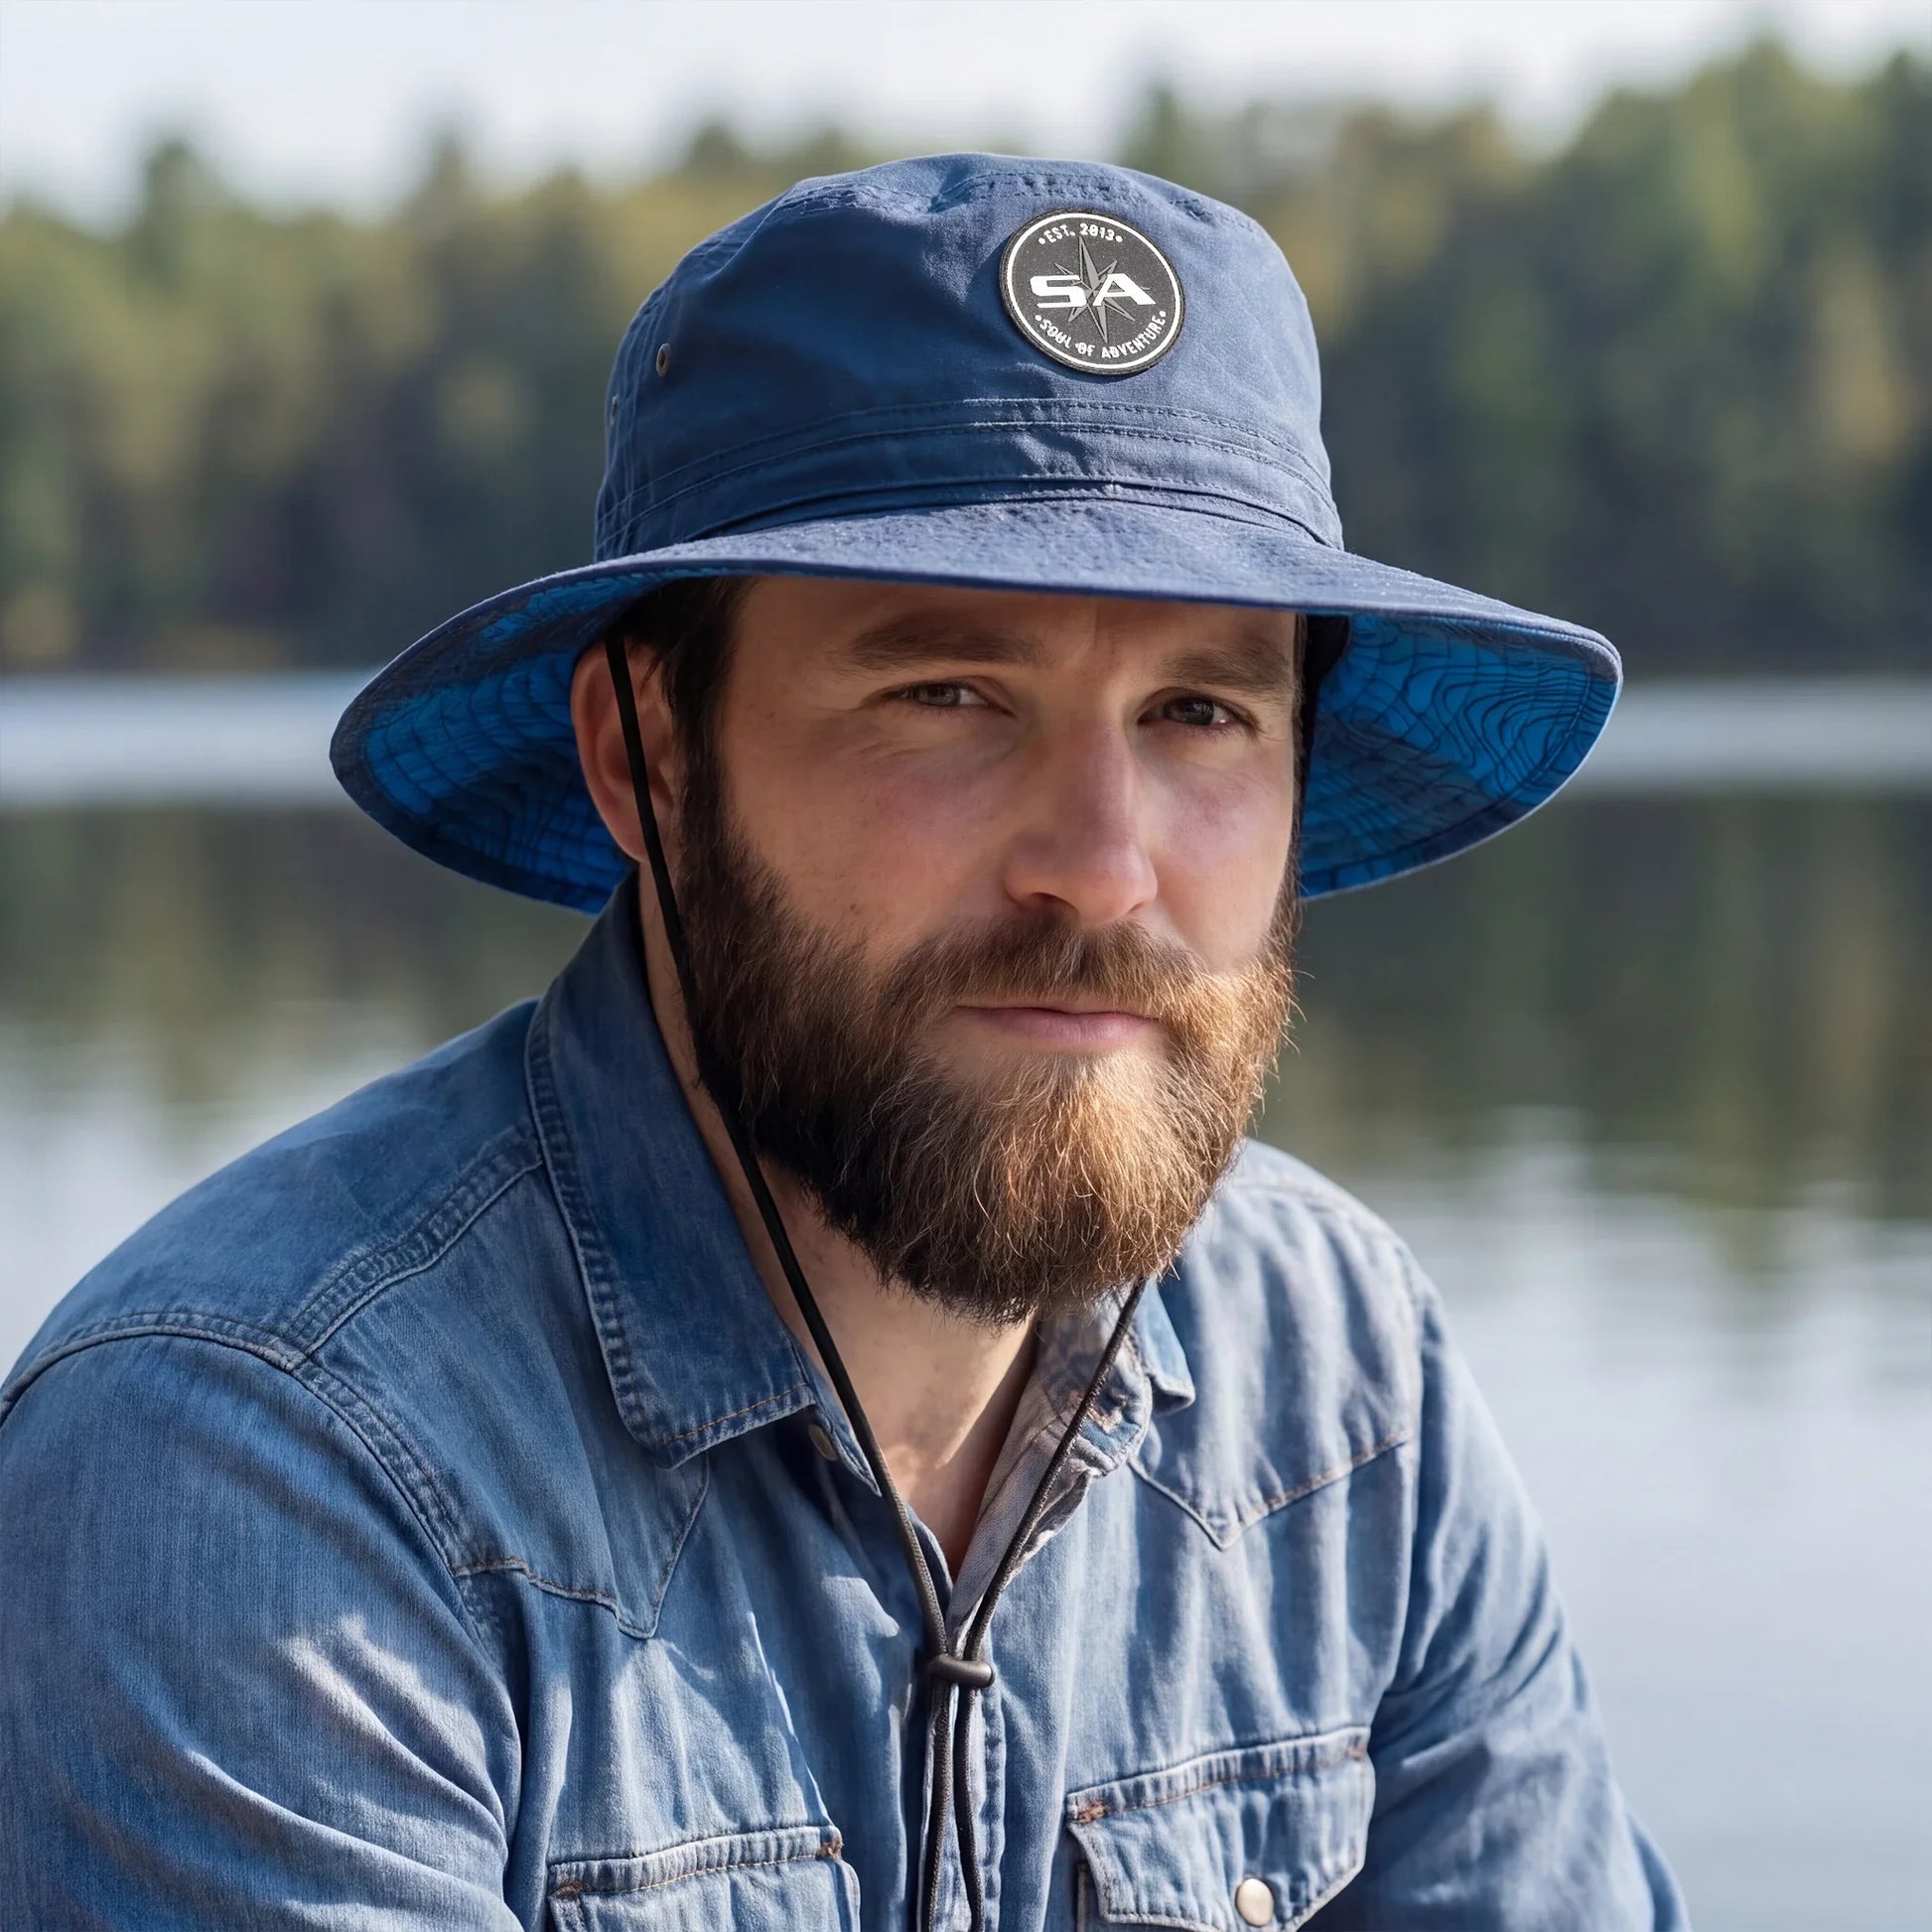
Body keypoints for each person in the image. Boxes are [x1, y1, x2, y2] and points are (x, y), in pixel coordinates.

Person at [0, 155, 1686, 1929]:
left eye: (1199, 711)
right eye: (945, 695)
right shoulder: (261, 1471)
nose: (1101, 865)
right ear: (645, 756)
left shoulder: (1341, 1385)